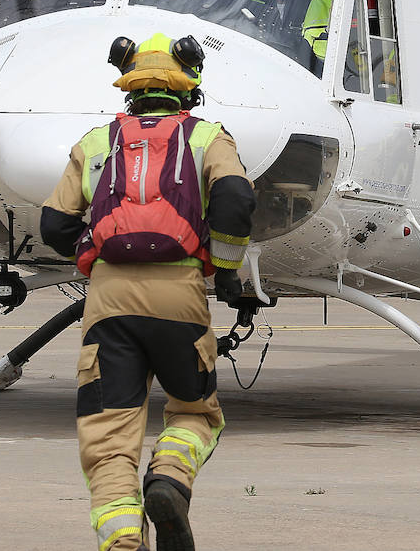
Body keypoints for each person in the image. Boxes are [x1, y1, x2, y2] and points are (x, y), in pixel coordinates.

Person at [39, 33, 255, 551]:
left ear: (129, 84)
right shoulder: (208, 137)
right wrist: (223, 268)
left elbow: (53, 224)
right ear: (188, 84)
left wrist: (96, 259)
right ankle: (169, 482)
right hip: (180, 292)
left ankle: (122, 542)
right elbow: (236, 198)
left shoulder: (96, 142)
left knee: (108, 432)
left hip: (108, 301)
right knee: (194, 412)